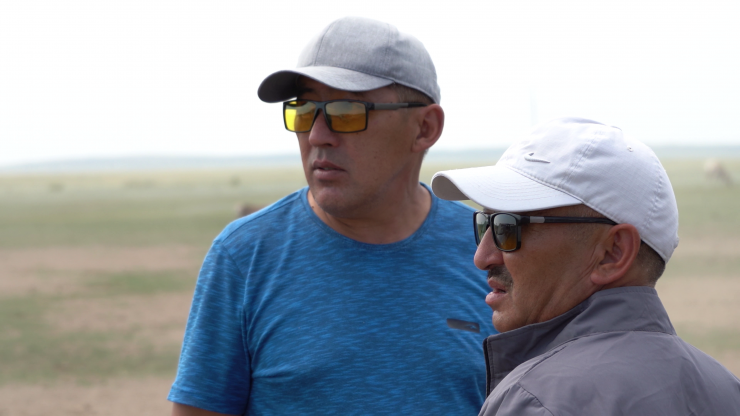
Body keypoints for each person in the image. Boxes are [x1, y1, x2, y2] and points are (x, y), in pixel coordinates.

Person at [168, 17, 497, 415]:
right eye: (304, 110)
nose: (317, 135)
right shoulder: (243, 257)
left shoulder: (492, 250)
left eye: (346, 112)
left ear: (424, 128)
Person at [431, 117, 740, 415]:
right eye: (484, 224)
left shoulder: (534, 402)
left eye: (507, 228)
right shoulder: (726, 391)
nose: (482, 257)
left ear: (612, 253)